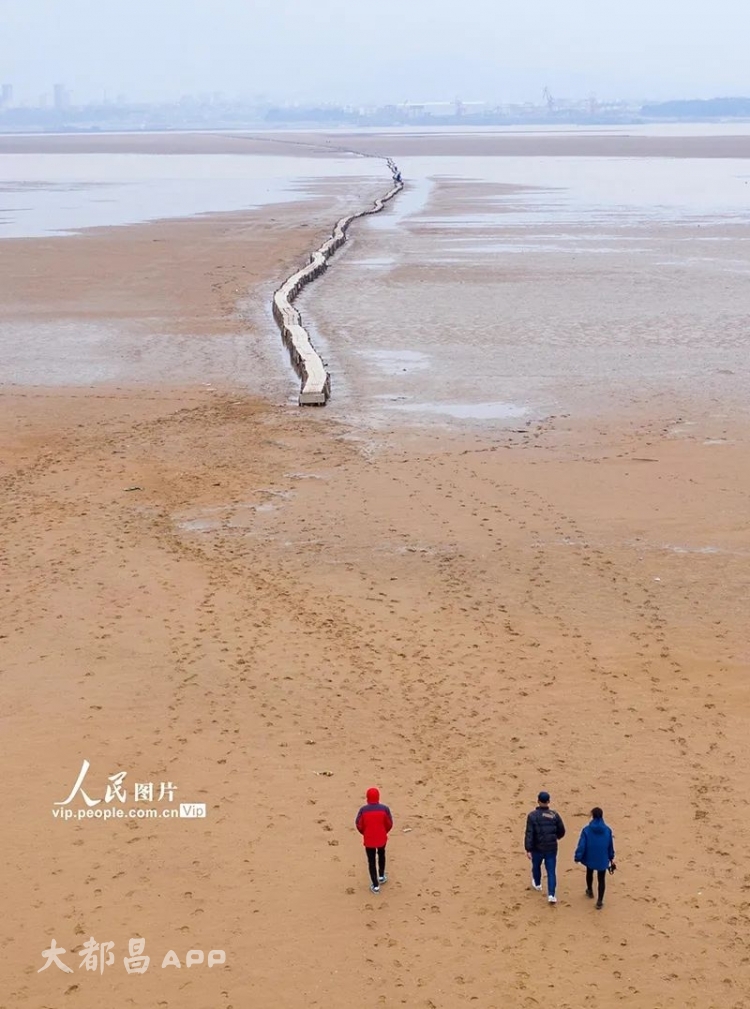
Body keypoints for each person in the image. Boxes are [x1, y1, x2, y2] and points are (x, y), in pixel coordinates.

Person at [524, 790, 566, 903]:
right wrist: (555, 837)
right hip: (551, 848)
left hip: (537, 848)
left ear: (538, 801)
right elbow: (561, 831)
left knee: (536, 866)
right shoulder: (554, 815)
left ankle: (537, 884)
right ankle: (551, 895)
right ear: (548, 801)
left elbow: (529, 833)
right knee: (551, 871)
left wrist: (528, 849)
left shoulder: (532, 816)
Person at [574, 807, 615, 909]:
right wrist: (611, 857)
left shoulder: (587, 830)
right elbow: (610, 845)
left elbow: (582, 845)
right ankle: (600, 901)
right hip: (602, 858)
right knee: (601, 879)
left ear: (592, 816)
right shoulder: (607, 830)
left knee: (589, 872)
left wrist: (578, 856)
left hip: (590, 857)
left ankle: (590, 890)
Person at [355, 787, 393, 893]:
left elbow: (359, 824)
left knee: (371, 861)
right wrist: (384, 832)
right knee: (381, 855)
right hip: (381, 838)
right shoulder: (384, 809)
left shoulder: (363, 810)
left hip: (369, 840)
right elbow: (389, 823)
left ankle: (375, 886)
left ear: (367, 798)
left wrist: (365, 833)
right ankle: (381, 876)